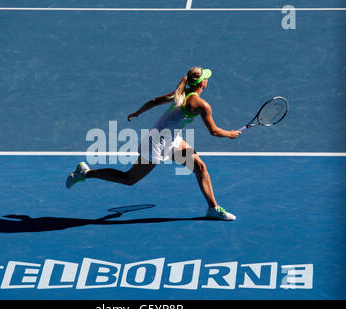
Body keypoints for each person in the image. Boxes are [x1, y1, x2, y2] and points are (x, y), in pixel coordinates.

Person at [66, 66, 241, 220]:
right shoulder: (201, 104)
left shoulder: (180, 93)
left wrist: (137, 112)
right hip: (157, 143)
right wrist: (230, 134)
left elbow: (154, 101)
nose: (208, 80)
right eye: (206, 78)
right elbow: (214, 131)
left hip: (172, 140)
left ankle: (213, 208)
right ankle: (85, 173)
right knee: (129, 179)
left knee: (200, 167)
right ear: (202, 83)